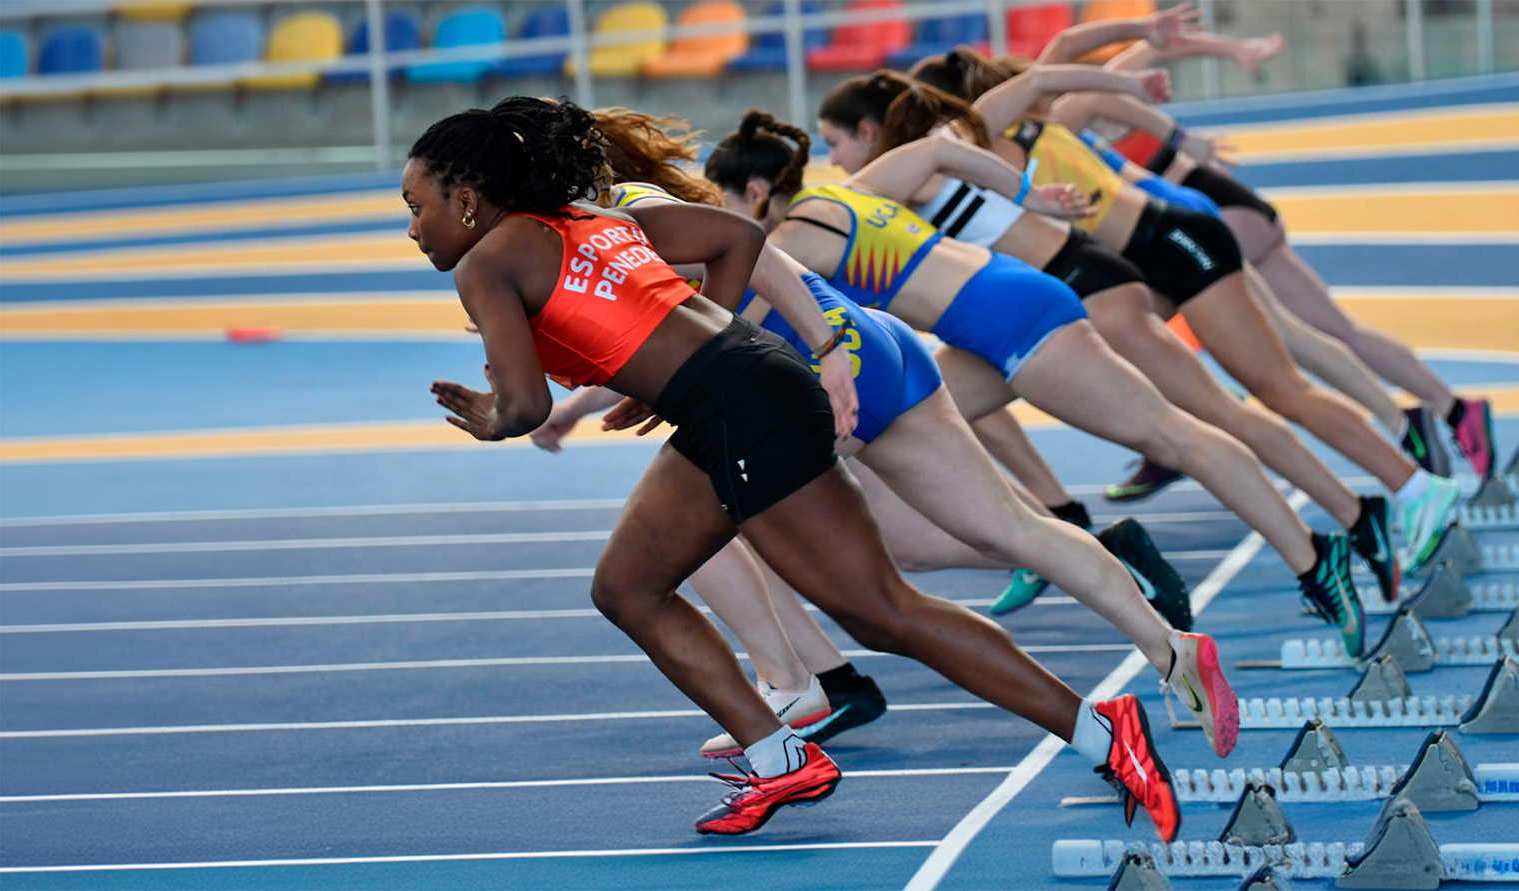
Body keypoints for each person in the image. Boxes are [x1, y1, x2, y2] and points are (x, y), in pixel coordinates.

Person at [407, 96, 1181, 841]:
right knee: (627, 586)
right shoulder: (594, 215)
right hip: (751, 381)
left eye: (417, 206)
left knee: (883, 612)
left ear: (468, 199)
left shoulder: (487, 264)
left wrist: (488, 415)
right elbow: (740, 241)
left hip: (741, 405)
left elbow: (525, 407)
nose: (413, 229)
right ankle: (781, 758)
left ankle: (1101, 731)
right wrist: (702, 344)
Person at [535, 113, 1240, 760]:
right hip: (877, 341)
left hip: (815, 361)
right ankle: (1170, 645)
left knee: (691, 533)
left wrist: (817, 351)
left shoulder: (619, 217)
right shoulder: (653, 214)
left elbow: (750, 269)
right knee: (994, 531)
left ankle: (794, 681)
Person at [706, 109, 1369, 658]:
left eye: (722, 208)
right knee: (890, 437)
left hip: (1015, 321)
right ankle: (1068, 543)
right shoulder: (850, 189)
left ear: (755, 195)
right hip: (991, 318)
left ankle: (1314, 556)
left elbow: (726, 319)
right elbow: (943, 153)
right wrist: (1026, 194)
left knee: (1177, 435)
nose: (723, 227)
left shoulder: (791, 242)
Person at [815, 70, 1406, 609]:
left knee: (1208, 422)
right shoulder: (912, 165)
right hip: (1047, 293)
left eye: (835, 144)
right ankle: (1039, 534)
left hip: (1084, 283)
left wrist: (1134, 110)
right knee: (916, 421)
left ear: (869, 130)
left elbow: (1046, 72)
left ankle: (1351, 520)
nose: (834, 160)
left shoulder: (914, 159)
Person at [1042, 18, 1498, 479]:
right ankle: (1451, 411)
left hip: (1203, 213)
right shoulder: (1068, 110)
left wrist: (1179, 135)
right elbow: (1157, 49)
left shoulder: (1061, 107)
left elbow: (1124, 57)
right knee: (1323, 331)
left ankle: (1193, 421)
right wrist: (1236, 52)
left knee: (1243, 340)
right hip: (1206, 211)